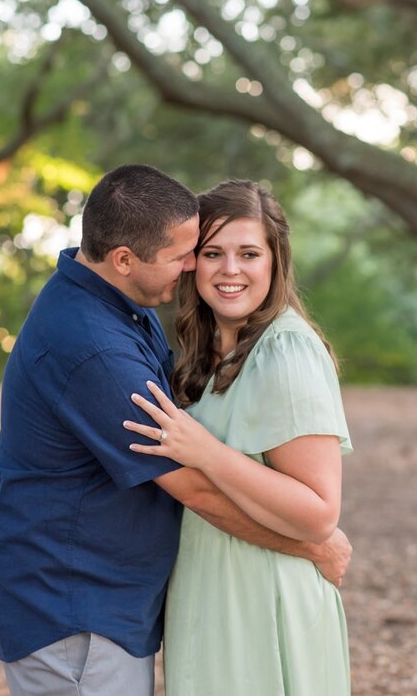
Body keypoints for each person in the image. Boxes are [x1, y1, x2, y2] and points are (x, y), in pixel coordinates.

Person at [0, 164, 351, 696]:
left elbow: (309, 499)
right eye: (191, 254)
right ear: (125, 260)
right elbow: (191, 484)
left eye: (248, 253)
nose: (193, 267)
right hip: (74, 605)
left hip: (127, 602)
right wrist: (311, 548)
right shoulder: (96, 347)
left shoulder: (123, 306)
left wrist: (310, 537)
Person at [123, 180, 352, 695]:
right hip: (210, 592)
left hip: (267, 599)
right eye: (212, 253)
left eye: (249, 253)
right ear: (191, 263)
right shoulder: (203, 357)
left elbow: (319, 514)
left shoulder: (286, 350)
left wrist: (206, 452)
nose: (230, 270)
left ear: (275, 262)